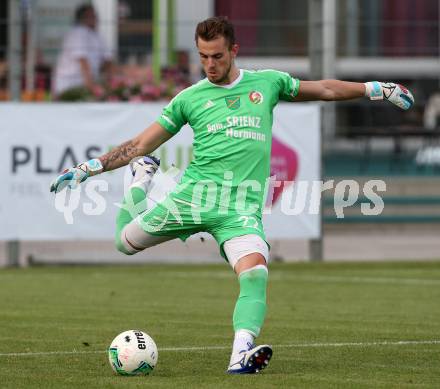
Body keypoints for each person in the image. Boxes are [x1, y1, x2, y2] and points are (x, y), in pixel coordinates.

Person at [50, 16, 414, 374]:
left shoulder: (267, 84)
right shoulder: (189, 99)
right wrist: (89, 169)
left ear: (234, 51)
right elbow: (139, 143)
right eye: (203, 56)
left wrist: (375, 88)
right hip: (192, 200)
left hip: (239, 209)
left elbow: (325, 89)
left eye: (217, 56)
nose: (209, 65)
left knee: (255, 271)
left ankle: (241, 354)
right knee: (124, 243)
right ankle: (139, 181)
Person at [53, 4, 113, 97]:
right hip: (70, 85)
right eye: (90, 16)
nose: (95, 19)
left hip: (87, 84)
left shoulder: (97, 36)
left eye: (95, 16)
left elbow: (107, 62)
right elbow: (82, 61)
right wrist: (92, 88)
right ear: (82, 18)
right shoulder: (78, 33)